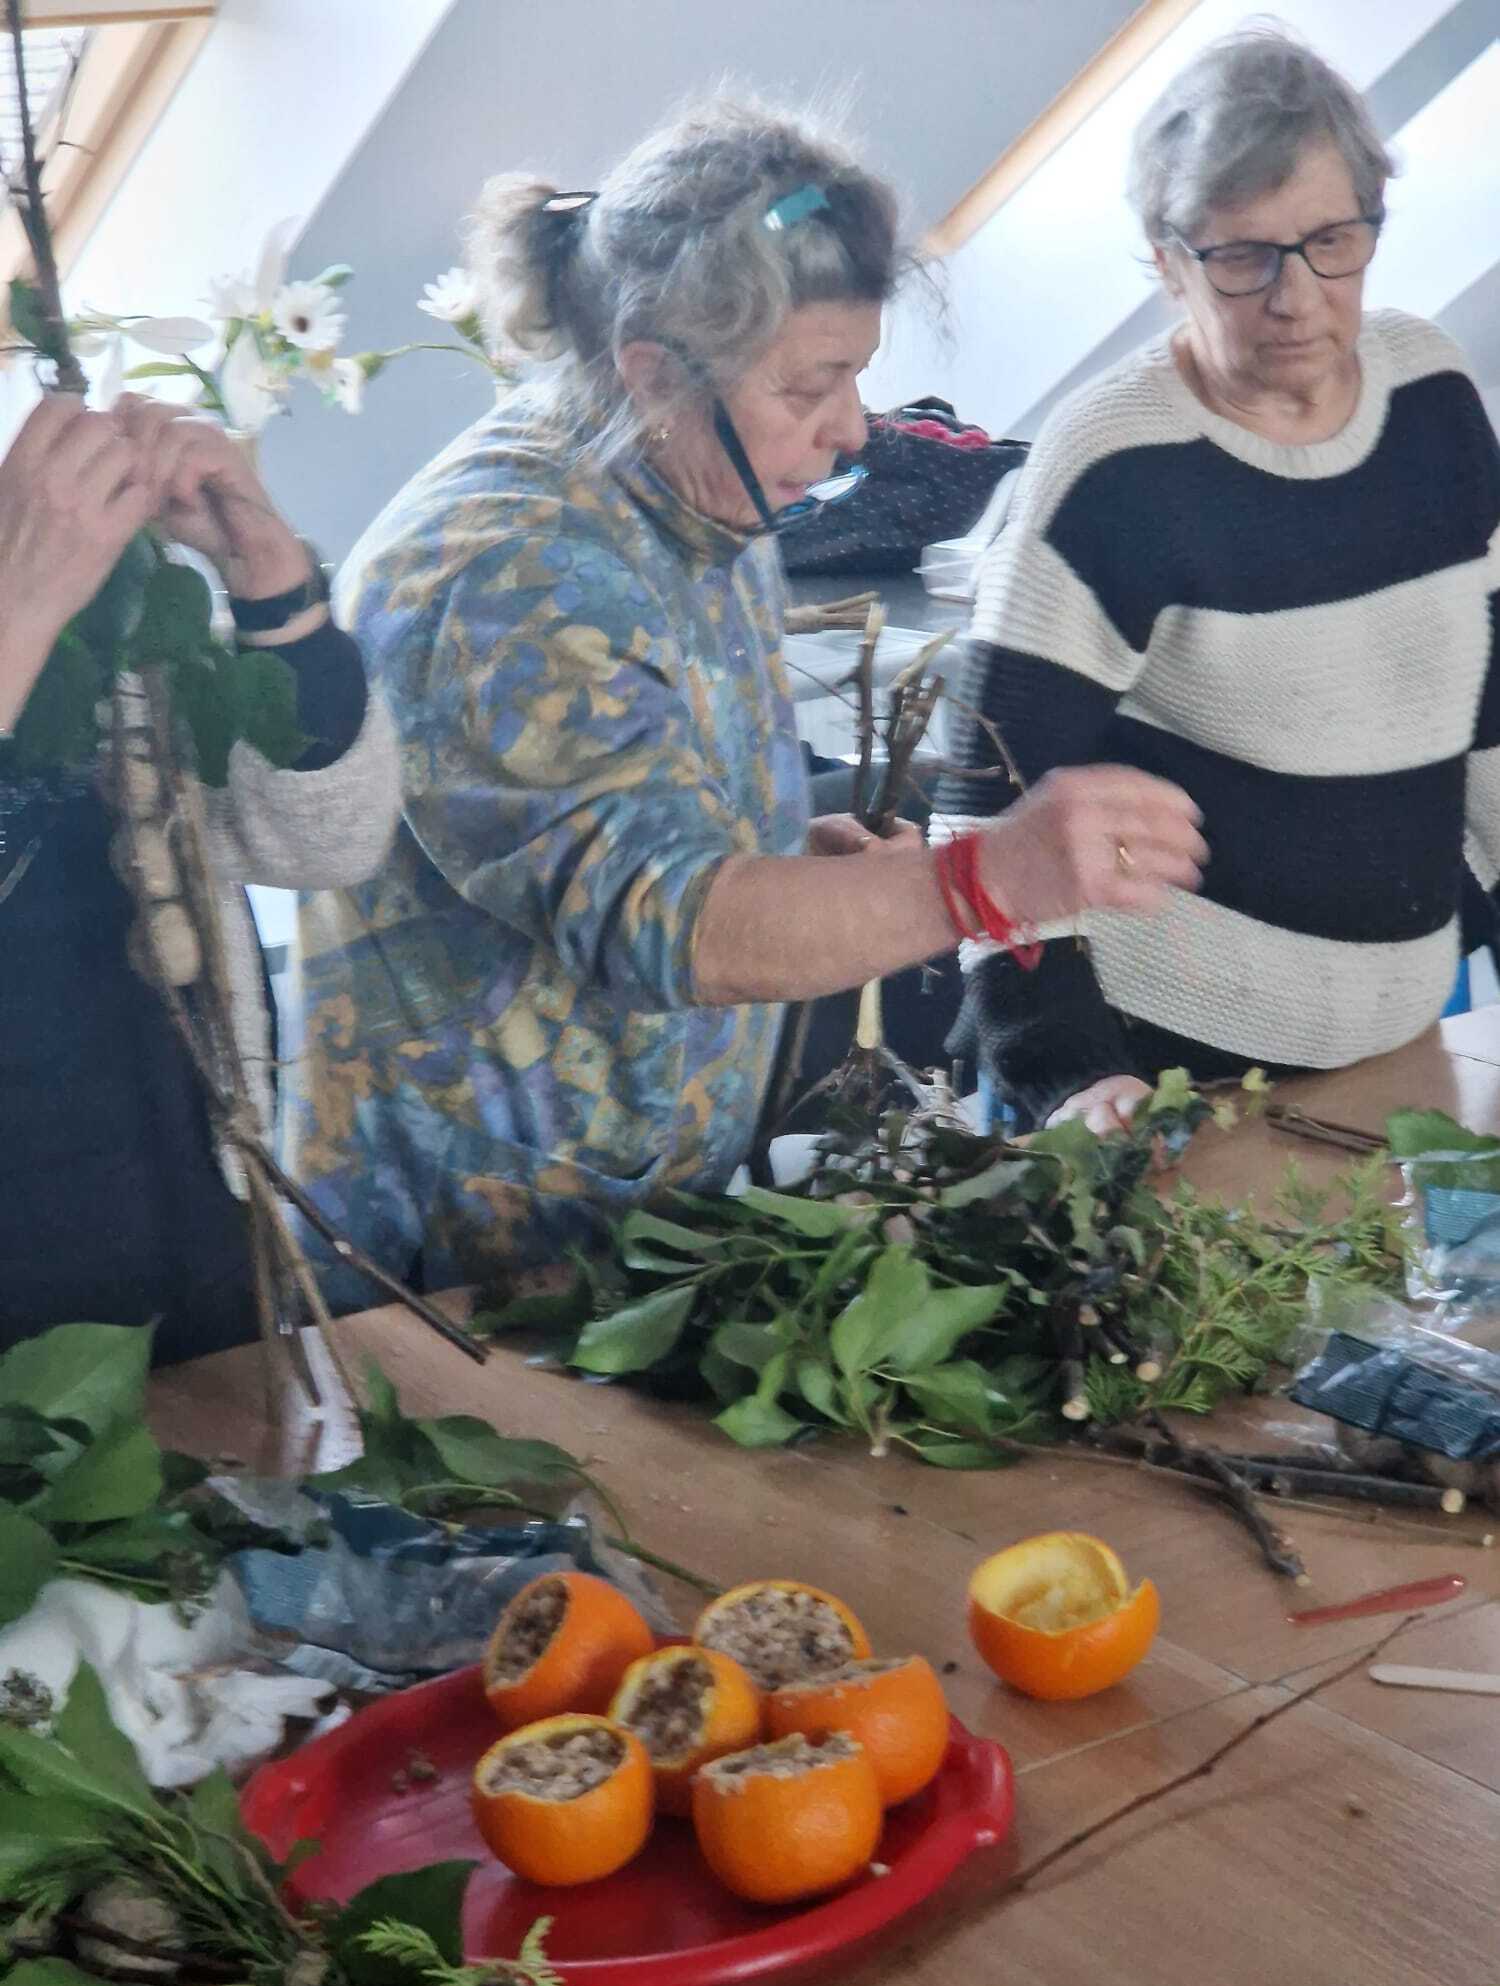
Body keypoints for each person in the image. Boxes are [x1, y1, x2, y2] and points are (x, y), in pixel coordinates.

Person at [290, 98, 1204, 1305]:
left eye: (857, 377)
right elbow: (680, 925)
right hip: (454, 1282)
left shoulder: (682, 483)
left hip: (619, 1236)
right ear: (654, 372)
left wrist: (791, 855)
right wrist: (986, 879)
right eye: (812, 385)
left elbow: (642, 820)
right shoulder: (500, 569)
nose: (853, 430)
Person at [939, 27, 1500, 1136]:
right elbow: (978, 808)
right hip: (1169, 1068)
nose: (1295, 296)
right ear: (1164, 257)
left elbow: (1482, 708)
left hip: (1400, 1028)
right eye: (1241, 257)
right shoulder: (1114, 463)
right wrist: (1070, 1072)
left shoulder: (1435, 393)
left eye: (1331, 240)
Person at [0, 392, 399, 1363]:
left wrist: (272, 591)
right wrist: (15, 614)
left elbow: (323, 842)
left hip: (188, 1233)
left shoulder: (58, 548)